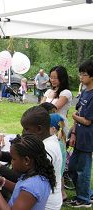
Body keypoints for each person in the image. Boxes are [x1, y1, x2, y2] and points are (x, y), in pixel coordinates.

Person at [0, 106, 63, 210]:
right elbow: (20, 185)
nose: (23, 132)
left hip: (48, 205)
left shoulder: (47, 149)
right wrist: (1, 177)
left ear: (39, 129)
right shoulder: (32, 173)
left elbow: (20, 179)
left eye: (26, 129)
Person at [0, 134, 56, 210]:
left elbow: (25, 192)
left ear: (26, 160)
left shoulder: (32, 186)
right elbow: (20, 191)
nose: (11, 162)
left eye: (13, 159)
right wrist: (2, 181)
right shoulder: (35, 176)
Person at [67, 60, 93, 208]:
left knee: (83, 170)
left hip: (88, 138)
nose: (80, 77)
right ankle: (87, 193)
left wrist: (75, 117)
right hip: (79, 136)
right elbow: (78, 112)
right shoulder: (84, 91)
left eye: (84, 74)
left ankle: (84, 199)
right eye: (80, 73)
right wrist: (74, 134)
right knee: (72, 167)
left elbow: (87, 120)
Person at [41, 66, 72, 134]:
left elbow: (53, 109)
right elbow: (40, 107)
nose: (52, 80)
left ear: (62, 78)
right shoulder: (48, 91)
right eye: (51, 77)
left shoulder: (66, 93)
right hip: (46, 124)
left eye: (55, 78)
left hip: (59, 125)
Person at [49, 113, 67, 202]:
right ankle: (62, 194)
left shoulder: (54, 144)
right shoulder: (60, 141)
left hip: (53, 178)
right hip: (58, 175)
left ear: (53, 129)